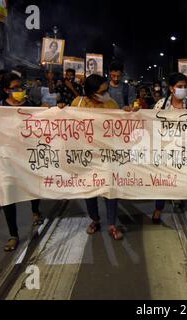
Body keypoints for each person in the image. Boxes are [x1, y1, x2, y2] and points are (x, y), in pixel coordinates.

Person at [68, 74, 124, 240]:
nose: (106, 94)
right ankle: (95, 220)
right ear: (91, 92)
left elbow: (120, 126)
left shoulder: (111, 104)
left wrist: (128, 114)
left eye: (106, 90)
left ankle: (112, 224)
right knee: (89, 191)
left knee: (110, 190)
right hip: (85, 155)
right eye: (102, 91)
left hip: (106, 155)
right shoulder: (77, 103)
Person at [153, 73, 187, 241]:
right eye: (179, 86)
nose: (183, 89)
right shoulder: (161, 105)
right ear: (171, 88)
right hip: (167, 151)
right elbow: (151, 123)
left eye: (185, 86)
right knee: (163, 183)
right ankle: (158, 209)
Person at [0, 72, 46, 251]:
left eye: (20, 87)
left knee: (33, 187)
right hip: (7, 159)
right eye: (14, 88)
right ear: (5, 90)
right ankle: (13, 235)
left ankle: (35, 211)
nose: (19, 91)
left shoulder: (30, 106)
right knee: (8, 194)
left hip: (28, 156)